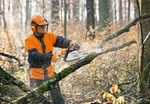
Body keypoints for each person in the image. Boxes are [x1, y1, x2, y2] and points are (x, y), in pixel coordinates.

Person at [25, 14, 80, 104]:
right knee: (37, 101)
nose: (44, 28)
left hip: (50, 74)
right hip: (36, 76)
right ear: (34, 27)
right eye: (41, 26)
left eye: (44, 26)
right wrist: (51, 57)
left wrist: (70, 43)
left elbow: (60, 41)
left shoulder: (49, 36)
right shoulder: (29, 40)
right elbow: (34, 55)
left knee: (58, 100)